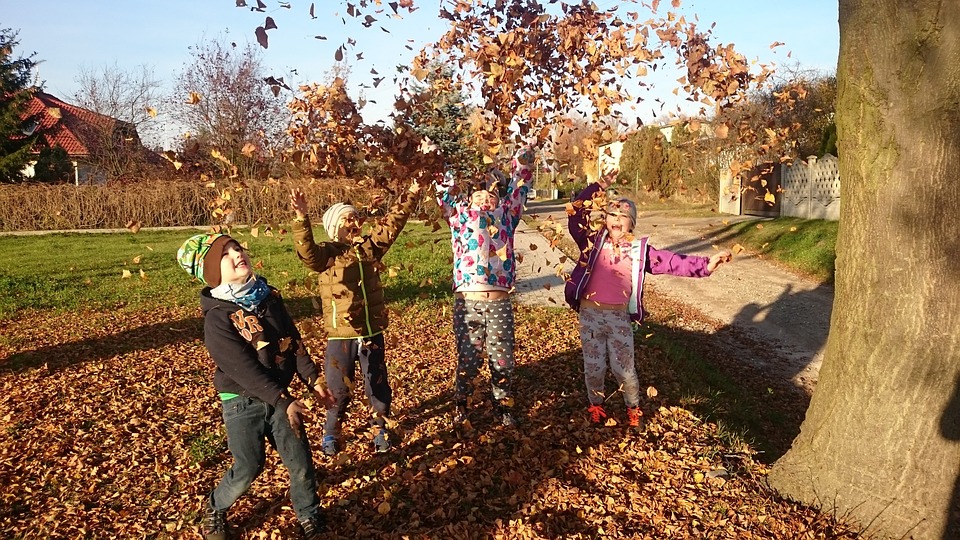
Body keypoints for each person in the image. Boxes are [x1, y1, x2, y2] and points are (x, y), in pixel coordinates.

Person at [176, 232, 333, 540]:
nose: (237, 254)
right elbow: (243, 370)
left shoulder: (269, 297)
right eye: (226, 254)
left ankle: (308, 513)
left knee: (299, 459)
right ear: (211, 271)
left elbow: (292, 341)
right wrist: (282, 399)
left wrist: (313, 378)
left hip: (280, 396)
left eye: (237, 247)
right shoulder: (218, 318)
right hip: (241, 400)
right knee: (249, 466)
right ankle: (216, 506)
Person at [564, 172, 732, 427]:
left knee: (624, 369)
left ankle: (633, 409)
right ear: (605, 220)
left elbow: (672, 262)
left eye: (623, 216)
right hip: (590, 316)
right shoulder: (591, 242)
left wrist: (706, 265)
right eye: (612, 215)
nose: (617, 219)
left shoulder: (639, 251)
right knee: (593, 367)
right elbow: (575, 214)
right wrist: (598, 187)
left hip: (619, 317)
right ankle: (595, 406)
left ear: (631, 224)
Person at [289, 180, 422, 456]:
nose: (353, 222)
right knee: (338, 389)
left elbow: (392, 226)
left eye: (355, 217)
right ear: (333, 227)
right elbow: (307, 253)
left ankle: (381, 426)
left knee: (377, 383)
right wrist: (302, 218)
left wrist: (411, 192)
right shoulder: (326, 255)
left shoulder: (368, 249)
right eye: (345, 218)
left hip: (371, 332)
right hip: (341, 335)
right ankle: (331, 431)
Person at [436, 144, 535, 428]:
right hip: (468, 302)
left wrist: (524, 157)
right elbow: (444, 192)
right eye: (478, 194)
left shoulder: (506, 216)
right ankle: (461, 404)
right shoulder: (459, 218)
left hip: (499, 302)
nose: (485, 199)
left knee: (503, 359)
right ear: (469, 198)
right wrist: (435, 157)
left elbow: (519, 186)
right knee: (468, 358)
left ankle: (502, 404)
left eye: (491, 194)